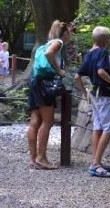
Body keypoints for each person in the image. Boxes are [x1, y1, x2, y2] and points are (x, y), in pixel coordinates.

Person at [75, 26, 110, 178]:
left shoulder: (89, 54)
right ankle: (95, 165)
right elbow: (101, 71)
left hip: (94, 94)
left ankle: (95, 161)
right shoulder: (102, 52)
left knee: (98, 126)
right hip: (103, 95)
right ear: (106, 41)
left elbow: (77, 76)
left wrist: (83, 92)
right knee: (109, 128)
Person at [27, 20, 72, 170]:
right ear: (65, 33)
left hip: (35, 83)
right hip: (45, 85)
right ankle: (41, 158)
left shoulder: (45, 44)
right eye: (70, 32)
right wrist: (59, 70)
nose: (70, 35)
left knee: (35, 121)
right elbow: (49, 53)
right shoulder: (57, 43)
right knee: (48, 121)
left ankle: (34, 159)